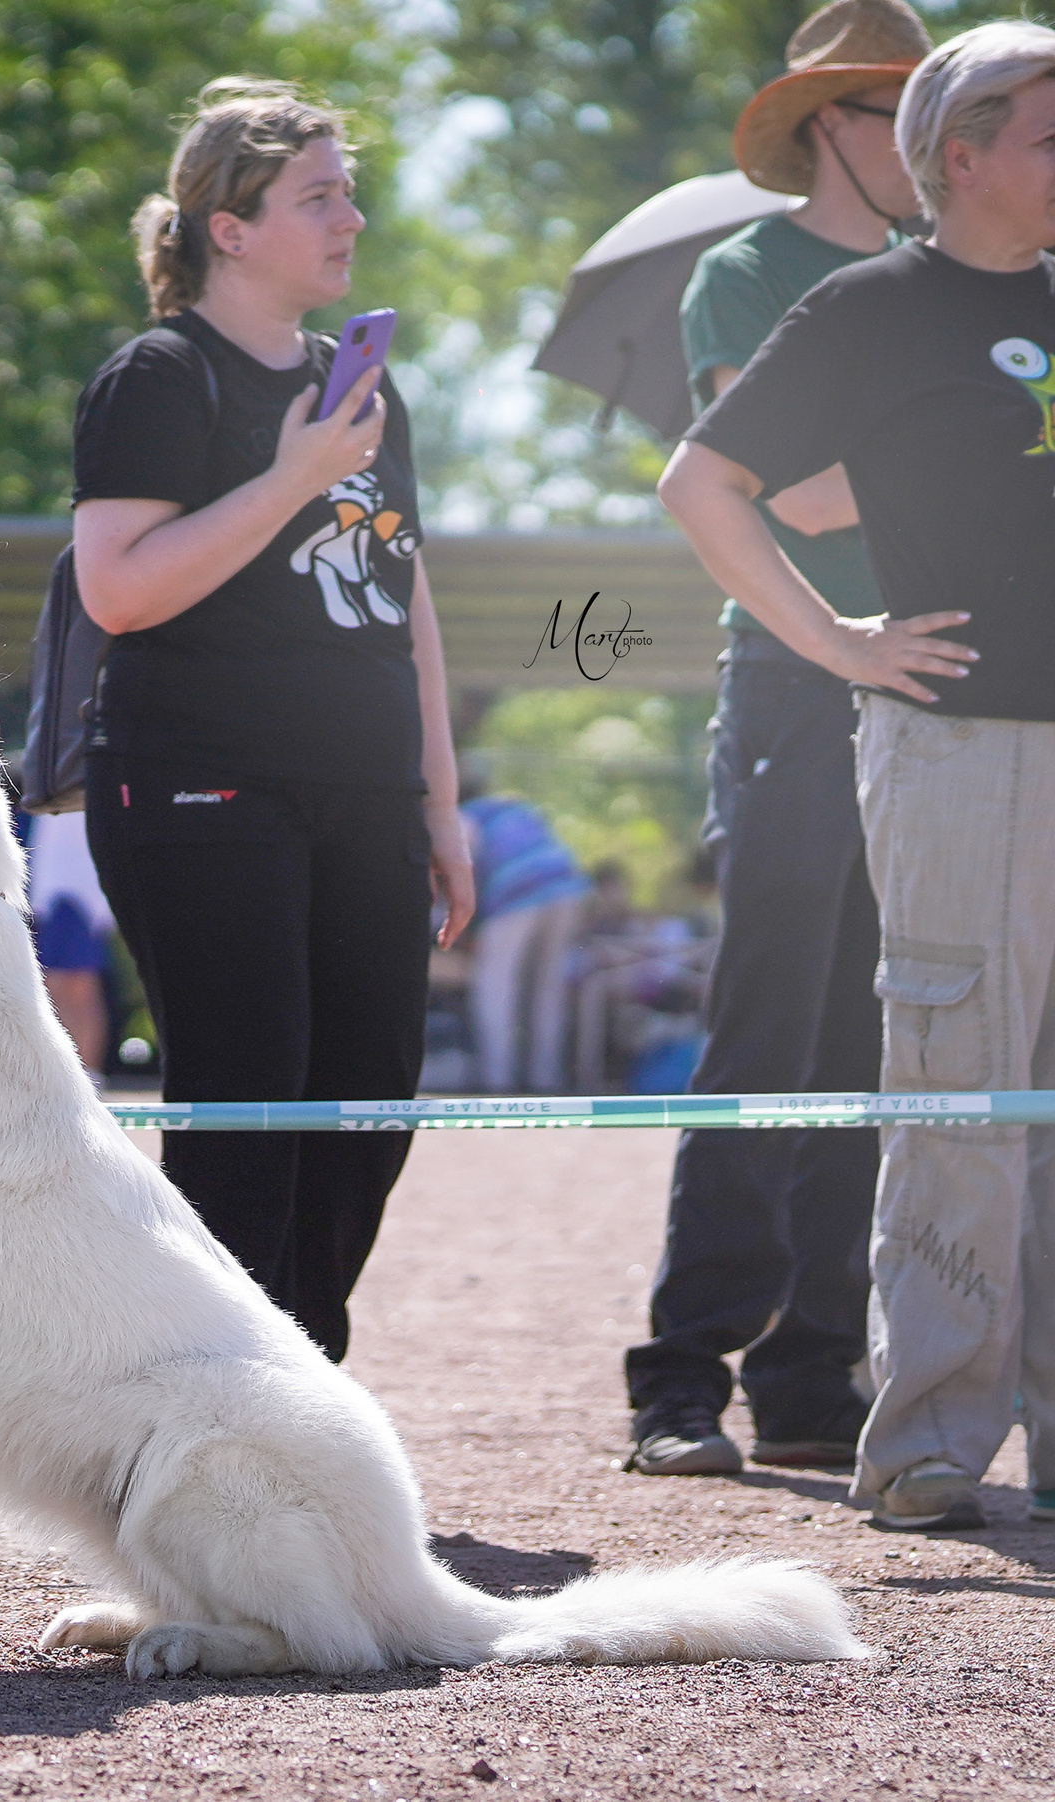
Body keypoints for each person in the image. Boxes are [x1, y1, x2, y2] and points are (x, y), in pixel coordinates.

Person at [659, 21, 1055, 1533]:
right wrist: (833, 640)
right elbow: (700, 480)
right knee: (960, 1091)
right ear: (960, 158)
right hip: (957, 746)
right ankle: (931, 1442)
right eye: (1050, 135)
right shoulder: (865, 305)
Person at [69, 78, 474, 1362]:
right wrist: (292, 474)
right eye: (318, 194)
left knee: (369, 1110)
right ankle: (215, 1417)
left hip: (364, 794)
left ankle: (297, 1388)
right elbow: (118, 589)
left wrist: (439, 801)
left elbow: (402, 596)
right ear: (227, 227)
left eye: (344, 190)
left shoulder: (364, 385)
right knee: (248, 1120)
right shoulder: (158, 376)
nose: (349, 215)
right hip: (200, 789)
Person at [622, 0, 928, 1485]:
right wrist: (968, 477)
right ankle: (681, 1374)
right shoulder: (748, 275)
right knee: (769, 1028)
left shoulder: (968, 284)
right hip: (797, 688)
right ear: (830, 127)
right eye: (895, 114)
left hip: (946, 690)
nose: (926, 143)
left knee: (879, 1038)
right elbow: (789, 500)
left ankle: (817, 1364)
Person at [459, 778, 589, 1095]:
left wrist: (468, 928)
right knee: (548, 989)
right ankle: (545, 1081)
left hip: (515, 892)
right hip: (568, 887)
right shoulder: (517, 809)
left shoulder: (466, 815)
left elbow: (461, 871)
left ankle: (497, 1083)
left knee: (496, 988)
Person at [25, 810, 113, 1075]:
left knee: (76, 986)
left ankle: (88, 1075)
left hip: (76, 890)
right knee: (54, 987)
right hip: (56, 891)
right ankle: (72, 1075)